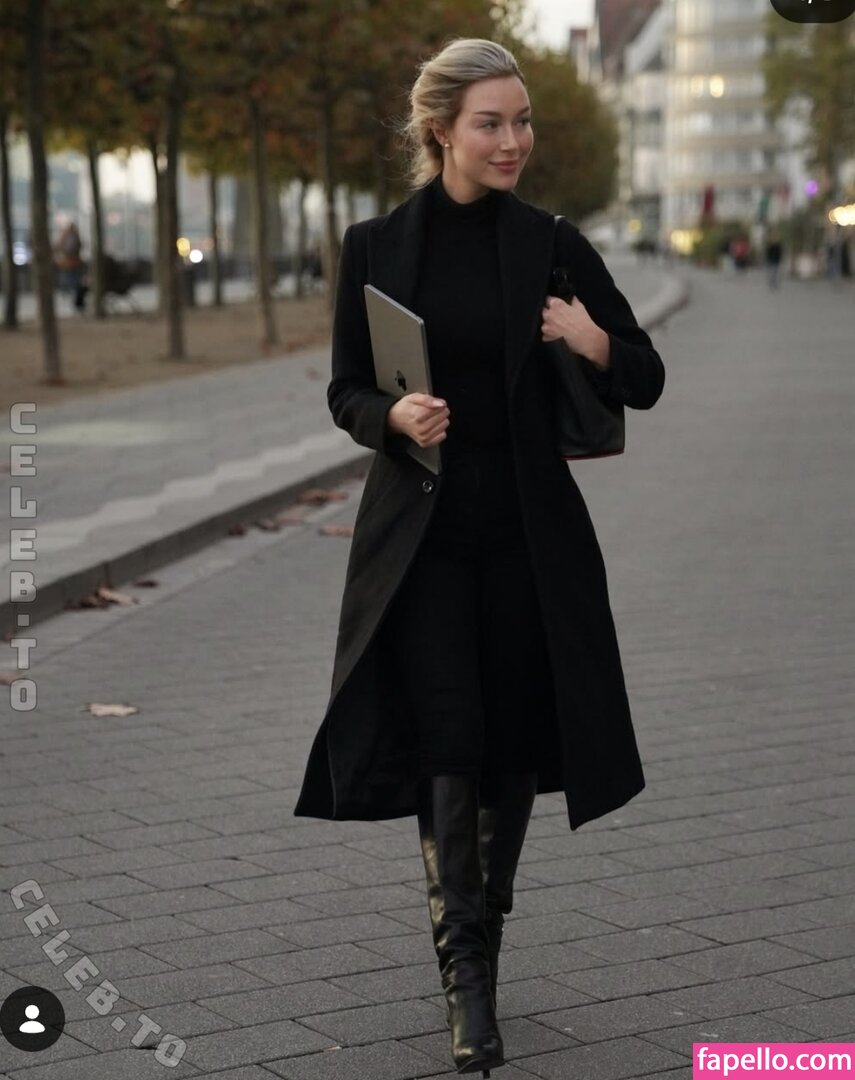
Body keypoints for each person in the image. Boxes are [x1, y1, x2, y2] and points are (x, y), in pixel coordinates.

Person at [293, 37, 665, 1076]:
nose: (514, 140)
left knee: (509, 747)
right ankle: (466, 976)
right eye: (491, 122)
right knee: (450, 740)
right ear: (440, 131)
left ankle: (484, 935)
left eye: (522, 120)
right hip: (420, 543)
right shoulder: (377, 246)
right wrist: (389, 416)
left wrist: (589, 339)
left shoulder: (551, 244)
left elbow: (644, 375)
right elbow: (345, 391)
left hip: (528, 542)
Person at [53, 221, 86, 311]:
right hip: (71, 263)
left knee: (70, 281)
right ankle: (70, 294)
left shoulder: (65, 237)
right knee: (73, 281)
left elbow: (60, 247)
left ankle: (68, 293)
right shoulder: (74, 236)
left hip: (68, 263)